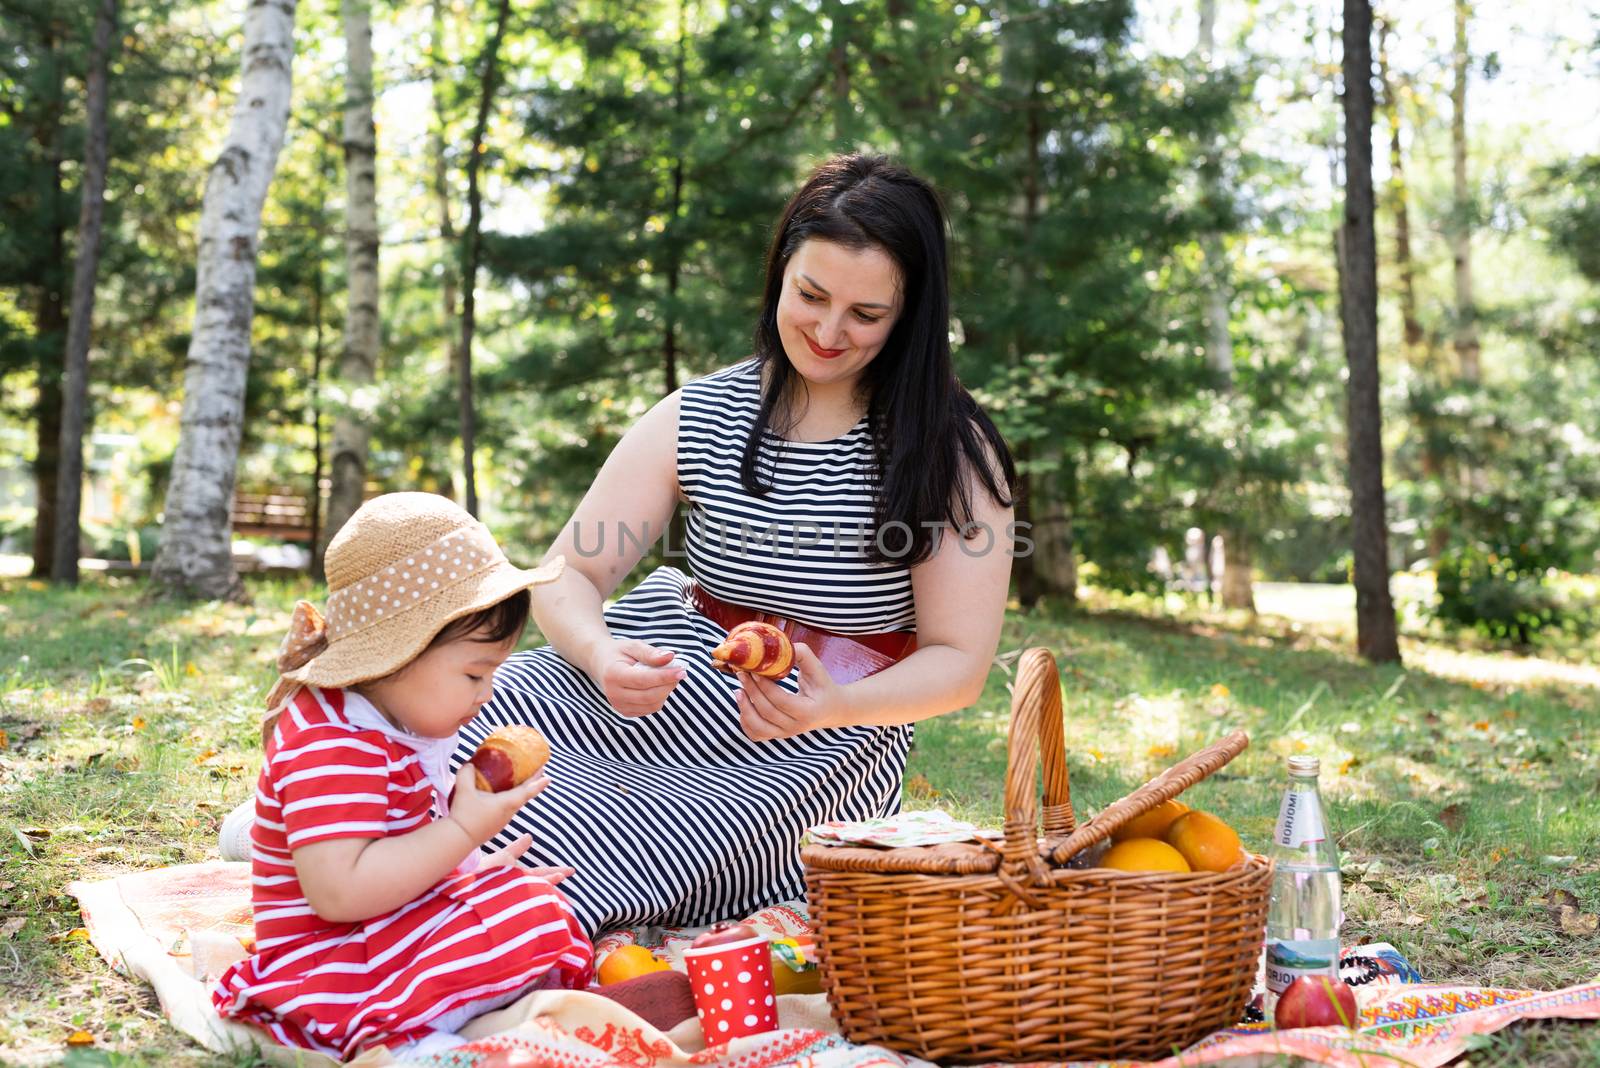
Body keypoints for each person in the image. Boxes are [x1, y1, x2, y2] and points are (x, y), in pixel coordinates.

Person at [456, 154, 1019, 935]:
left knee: (634, 843)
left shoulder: (951, 451)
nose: (827, 332)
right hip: (654, 678)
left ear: (910, 314)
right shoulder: (706, 410)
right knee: (456, 713)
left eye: (865, 315)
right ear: (779, 274)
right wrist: (598, 654)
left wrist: (838, 707)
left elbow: (959, 664)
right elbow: (568, 571)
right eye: (811, 296)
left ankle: (456, 901)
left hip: (812, 743)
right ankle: (357, 845)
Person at [213, 493, 594, 1060]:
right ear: (401, 654)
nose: (486, 694)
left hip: (379, 930)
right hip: (329, 964)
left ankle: (450, 1010)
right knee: (524, 918)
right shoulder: (334, 743)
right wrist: (463, 831)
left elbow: (395, 844)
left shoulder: (388, 719)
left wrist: (470, 872)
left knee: (529, 900)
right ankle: (406, 1039)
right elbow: (339, 894)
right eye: (474, 673)